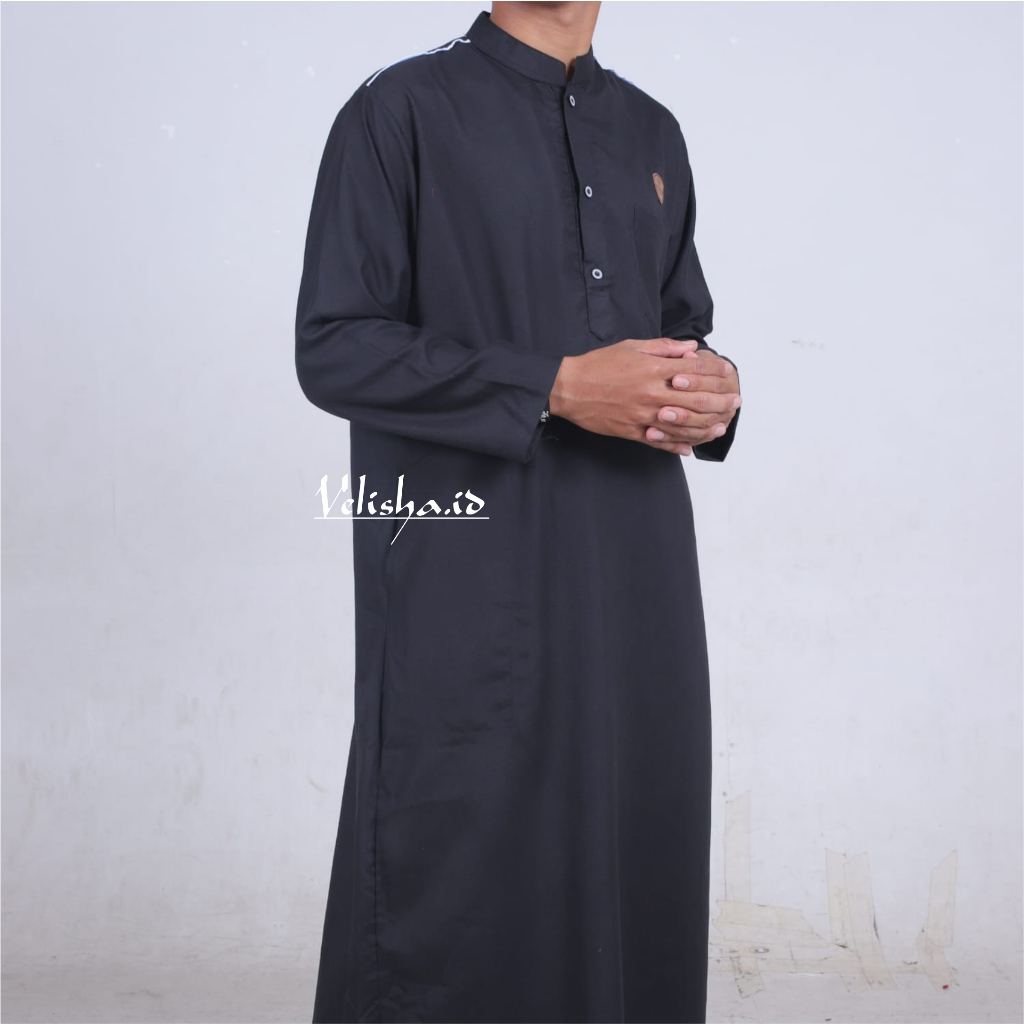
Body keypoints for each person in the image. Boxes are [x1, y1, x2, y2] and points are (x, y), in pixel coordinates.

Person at [295, 3, 742, 1021]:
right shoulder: (401, 109)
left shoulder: (650, 130)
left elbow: (679, 328)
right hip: (470, 556)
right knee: (459, 845)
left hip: (636, 564)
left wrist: (712, 391)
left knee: (636, 826)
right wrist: (553, 384)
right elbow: (334, 344)